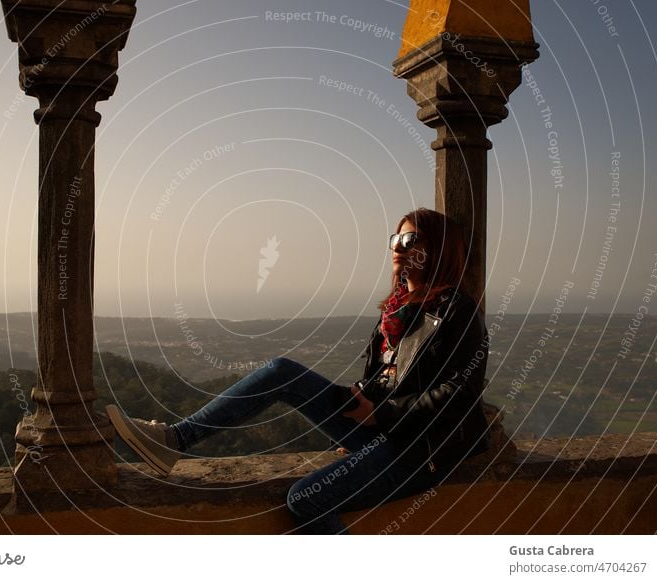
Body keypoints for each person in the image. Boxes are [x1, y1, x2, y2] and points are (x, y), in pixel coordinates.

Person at [106, 207, 491, 534]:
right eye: (395, 239)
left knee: (305, 499)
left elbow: (461, 391)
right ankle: (175, 440)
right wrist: (359, 403)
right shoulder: (395, 311)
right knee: (281, 371)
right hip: (380, 429)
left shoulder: (457, 311)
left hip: (418, 453)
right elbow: (388, 376)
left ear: (437, 250)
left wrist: (381, 413)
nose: (397, 248)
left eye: (411, 241)